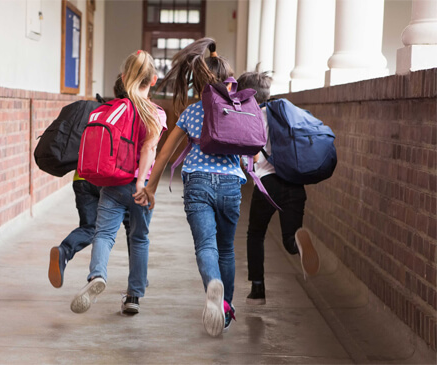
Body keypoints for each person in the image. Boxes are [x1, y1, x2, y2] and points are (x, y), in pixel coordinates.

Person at [135, 38, 241, 337]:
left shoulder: (192, 112)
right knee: (227, 249)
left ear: (199, 81)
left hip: (197, 183)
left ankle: (212, 284)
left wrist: (150, 187)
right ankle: (226, 307)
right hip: (232, 183)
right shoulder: (240, 108)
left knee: (205, 246)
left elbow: (165, 153)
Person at [70, 50, 167, 315]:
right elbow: (148, 150)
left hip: (112, 183)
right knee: (139, 238)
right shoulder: (155, 113)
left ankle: (97, 275)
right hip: (140, 187)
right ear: (154, 80)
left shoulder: (115, 108)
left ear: (124, 78)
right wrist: (141, 184)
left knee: (103, 234)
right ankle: (134, 296)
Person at [236, 71, 320, 305]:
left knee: (256, 233)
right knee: (288, 237)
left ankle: (258, 288)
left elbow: (249, 156)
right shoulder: (284, 114)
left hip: (267, 185)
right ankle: (298, 245)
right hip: (294, 182)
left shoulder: (251, 119)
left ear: (247, 97)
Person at [48, 76, 132, 289]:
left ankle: (65, 250)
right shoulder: (127, 113)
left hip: (82, 178)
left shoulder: (96, 111)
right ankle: (136, 278)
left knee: (91, 227)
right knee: (134, 227)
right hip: (108, 180)